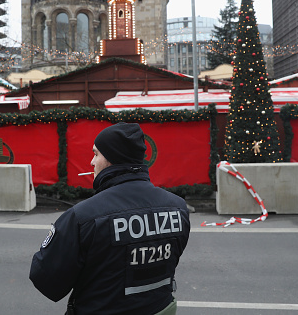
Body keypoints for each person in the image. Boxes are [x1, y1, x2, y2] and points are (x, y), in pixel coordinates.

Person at [30, 122, 191, 314]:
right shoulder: (177, 207)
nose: (92, 162)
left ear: (113, 158)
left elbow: (47, 281)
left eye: (96, 154)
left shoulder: (83, 216)